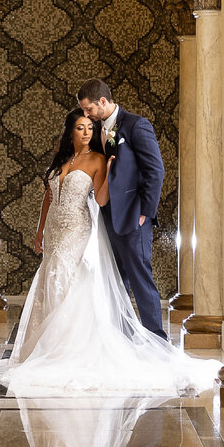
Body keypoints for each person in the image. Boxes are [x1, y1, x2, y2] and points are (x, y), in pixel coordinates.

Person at [0, 107, 213, 398]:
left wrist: (109, 173)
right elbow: (49, 196)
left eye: (90, 128)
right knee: (49, 279)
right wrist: (39, 229)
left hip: (77, 229)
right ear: (70, 131)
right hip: (55, 230)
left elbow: (101, 198)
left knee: (67, 280)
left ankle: (69, 346)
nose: (86, 133)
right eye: (80, 128)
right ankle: (44, 346)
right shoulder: (62, 158)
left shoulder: (97, 159)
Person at [76, 79, 168, 339]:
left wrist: (145, 213)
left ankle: (158, 341)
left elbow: (155, 171)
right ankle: (123, 339)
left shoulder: (136, 125)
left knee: (140, 279)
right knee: (116, 282)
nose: (86, 114)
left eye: (88, 109)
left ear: (103, 102)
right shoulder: (97, 131)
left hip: (133, 217)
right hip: (108, 219)